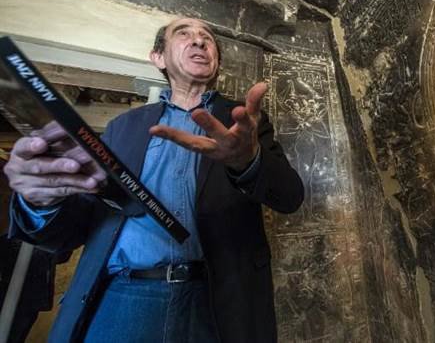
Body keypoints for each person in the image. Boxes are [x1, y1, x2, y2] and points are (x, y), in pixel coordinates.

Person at [3, 18, 304, 342]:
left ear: (216, 62)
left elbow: (290, 196)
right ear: (158, 57)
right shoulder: (122, 127)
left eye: (207, 37)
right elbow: (75, 229)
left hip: (218, 304)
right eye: (184, 34)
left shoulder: (243, 122)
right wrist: (40, 202)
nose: (199, 41)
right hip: (119, 301)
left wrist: (248, 162)